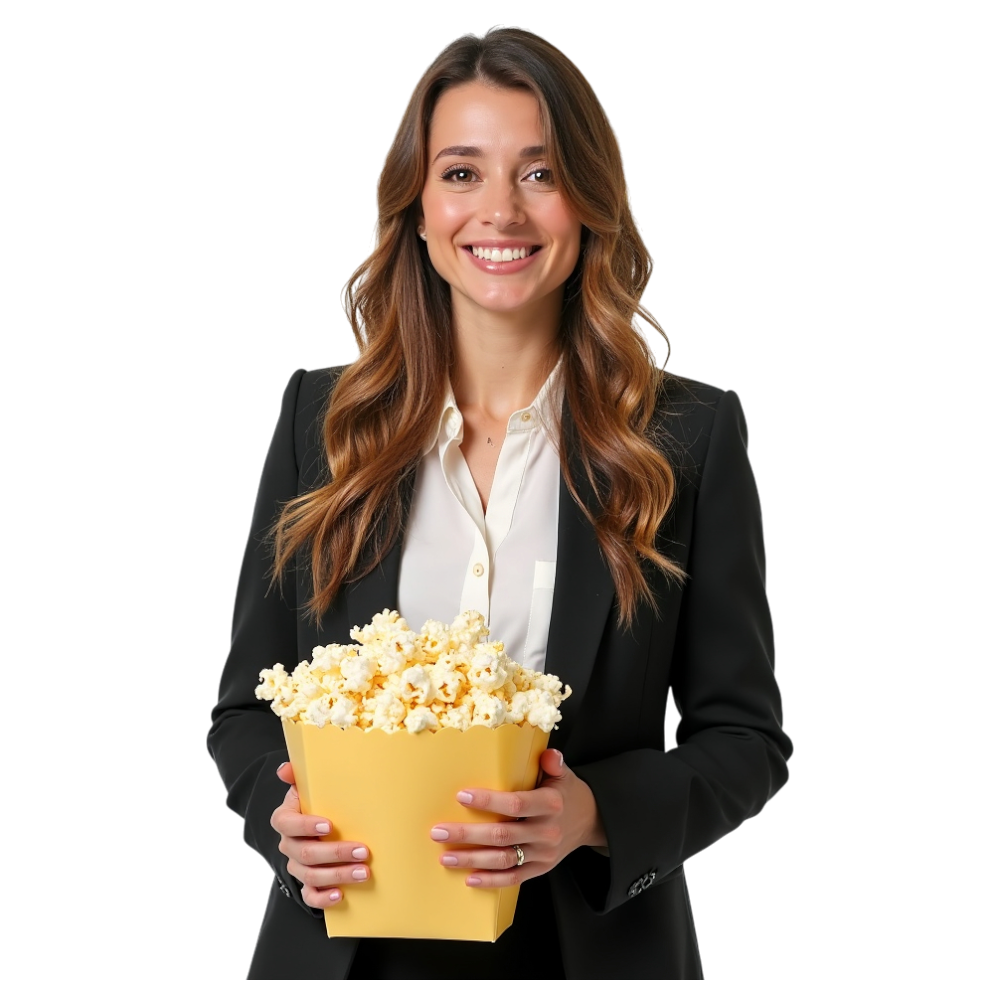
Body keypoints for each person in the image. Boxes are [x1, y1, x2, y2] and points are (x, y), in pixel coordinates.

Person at [208, 25, 791, 980]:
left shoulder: (686, 439)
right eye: (463, 173)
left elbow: (746, 736)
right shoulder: (322, 421)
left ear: (589, 201)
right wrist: (283, 828)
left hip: (588, 951)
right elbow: (244, 709)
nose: (501, 214)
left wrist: (593, 814)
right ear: (420, 206)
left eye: (539, 172)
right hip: (346, 948)